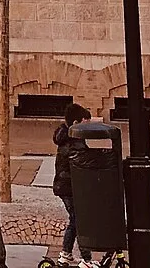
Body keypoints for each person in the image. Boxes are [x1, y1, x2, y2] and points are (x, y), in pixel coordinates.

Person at [48, 102, 98, 268]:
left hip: (66, 186)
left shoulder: (70, 137)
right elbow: (82, 163)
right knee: (79, 220)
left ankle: (66, 254)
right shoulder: (73, 142)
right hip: (68, 187)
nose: (88, 128)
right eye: (86, 123)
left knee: (75, 219)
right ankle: (86, 260)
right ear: (76, 123)